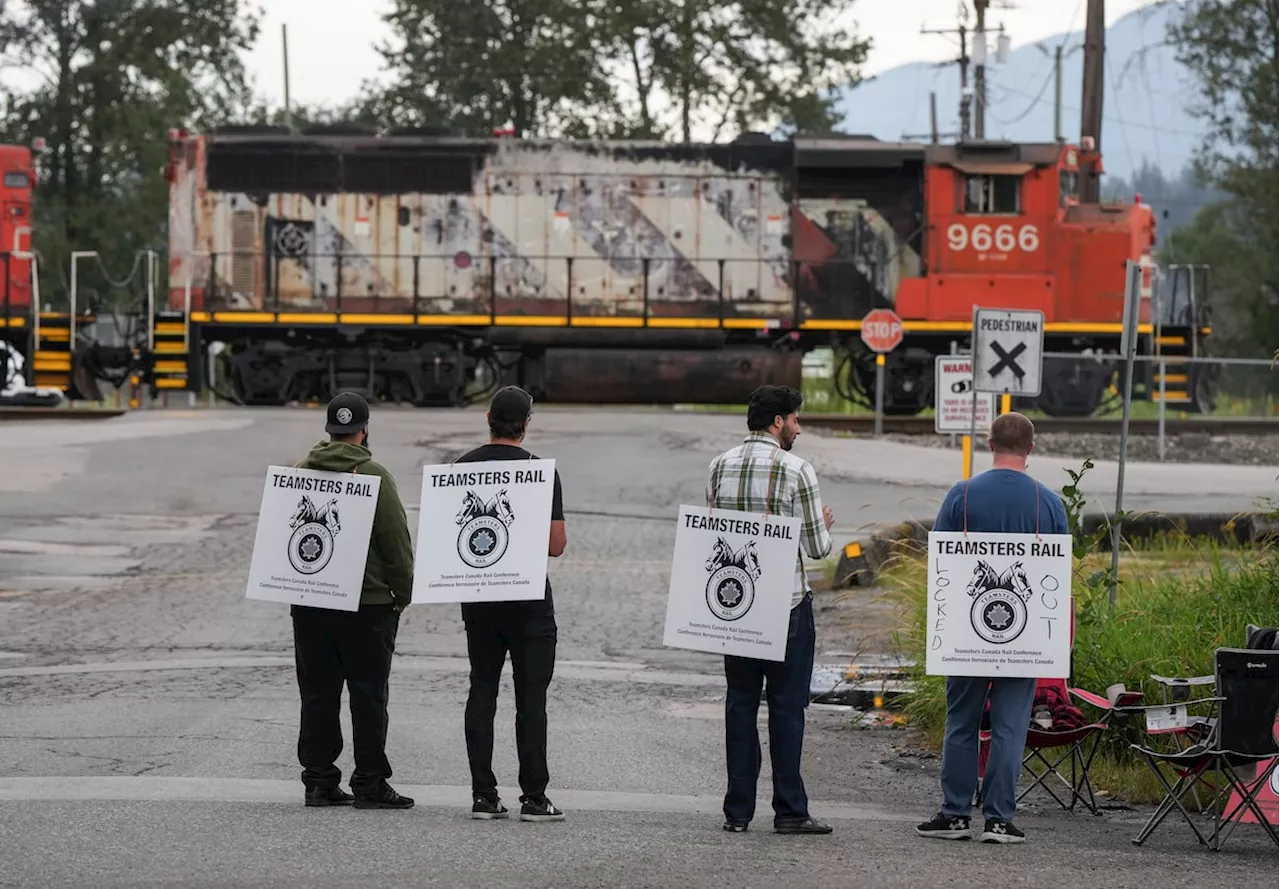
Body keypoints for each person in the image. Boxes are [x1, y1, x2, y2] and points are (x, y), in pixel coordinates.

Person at [915, 411, 1069, 844]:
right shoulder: (1049, 503)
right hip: (1024, 636)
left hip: (967, 633)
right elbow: (1059, 572)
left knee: (962, 722)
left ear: (989, 443)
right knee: (1009, 726)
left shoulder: (962, 496)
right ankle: (1000, 819)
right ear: (1031, 449)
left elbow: (941, 562)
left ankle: (955, 814)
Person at [705, 384, 835, 835]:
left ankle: (737, 812)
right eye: (796, 420)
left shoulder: (719, 465)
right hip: (787, 606)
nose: (798, 428)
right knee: (786, 708)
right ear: (778, 421)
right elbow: (818, 548)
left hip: (735, 605)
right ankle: (790, 811)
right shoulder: (797, 469)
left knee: (739, 704)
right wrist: (822, 521)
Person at [291, 391, 416, 810]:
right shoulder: (374, 474)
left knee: (318, 694)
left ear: (329, 430)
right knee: (368, 694)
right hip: (368, 605)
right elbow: (395, 541)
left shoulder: (300, 471)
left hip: (311, 602)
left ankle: (320, 782)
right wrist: (404, 592)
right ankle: (370, 782)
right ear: (364, 430)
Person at [454, 385, 568, 822]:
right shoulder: (539, 472)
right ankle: (535, 799)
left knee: (481, 689)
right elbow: (556, 545)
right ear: (526, 424)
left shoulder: (461, 468)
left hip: (480, 599)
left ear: (488, 419)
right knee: (530, 699)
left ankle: (483, 795)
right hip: (528, 602)